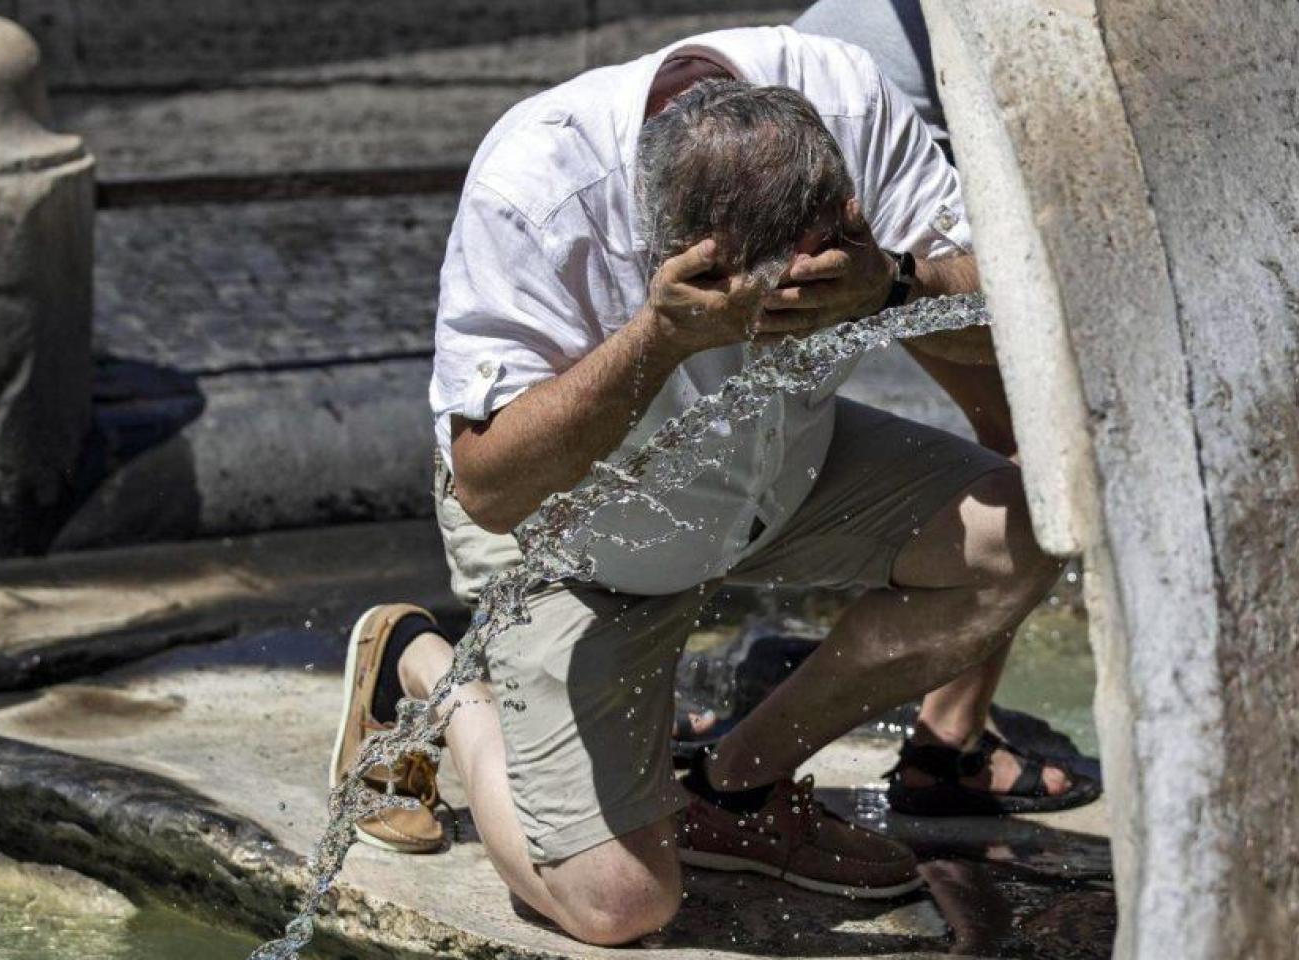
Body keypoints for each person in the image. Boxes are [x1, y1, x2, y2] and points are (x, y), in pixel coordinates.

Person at [327, 25, 1095, 946]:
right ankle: (424, 666)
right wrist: (655, 341)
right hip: (571, 537)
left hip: (779, 470)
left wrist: (892, 287)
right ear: (674, 239)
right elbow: (489, 484)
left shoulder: (844, 97)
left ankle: (735, 788)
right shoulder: (535, 184)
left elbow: (1012, 312)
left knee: (1027, 534)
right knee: (619, 905)